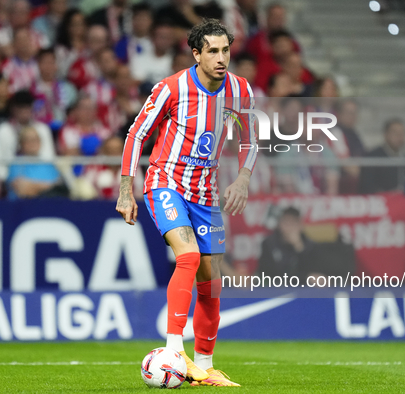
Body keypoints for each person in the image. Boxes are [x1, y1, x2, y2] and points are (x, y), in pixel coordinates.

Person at [116, 19, 256, 387]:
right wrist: (126, 189)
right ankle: (174, 351)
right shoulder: (170, 88)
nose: (221, 57)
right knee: (189, 257)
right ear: (196, 53)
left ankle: (205, 367)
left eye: (225, 50)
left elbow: (250, 141)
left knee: (211, 283)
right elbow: (137, 134)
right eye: (212, 50)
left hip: (205, 194)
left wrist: (243, 177)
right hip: (166, 183)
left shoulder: (240, 90)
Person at [0, 90, 55, 181]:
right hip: (11, 179)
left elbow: (49, 158)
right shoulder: (2, 131)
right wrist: (6, 180)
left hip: (41, 177)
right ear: (13, 108)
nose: (24, 111)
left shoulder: (43, 129)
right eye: (21, 107)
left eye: (27, 107)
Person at [359, 118, 405, 196]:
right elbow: (367, 187)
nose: (399, 136)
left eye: (402, 133)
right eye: (395, 133)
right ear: (386, 134)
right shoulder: (372, 157)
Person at [257, 207, 318, 279]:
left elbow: (312, 271)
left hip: (303, 287)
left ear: (300, 226)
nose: (289, 227)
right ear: (279, 224)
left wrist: (299, 247)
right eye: (286, 222)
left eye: (293, 223)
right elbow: (266, 274)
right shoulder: (269, 243)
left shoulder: (309, 245)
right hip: (276, 287)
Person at [7, 126, 61, 200]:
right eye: (28, 140)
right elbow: (22, 190)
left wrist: (32, 186)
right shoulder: (16, 164)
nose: (32, 143)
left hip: (47, 205)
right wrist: (46, 186)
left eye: (35, 139)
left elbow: (56, 189)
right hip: (23, 206)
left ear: (40, 142)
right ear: (21, 144)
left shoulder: (49, 164)